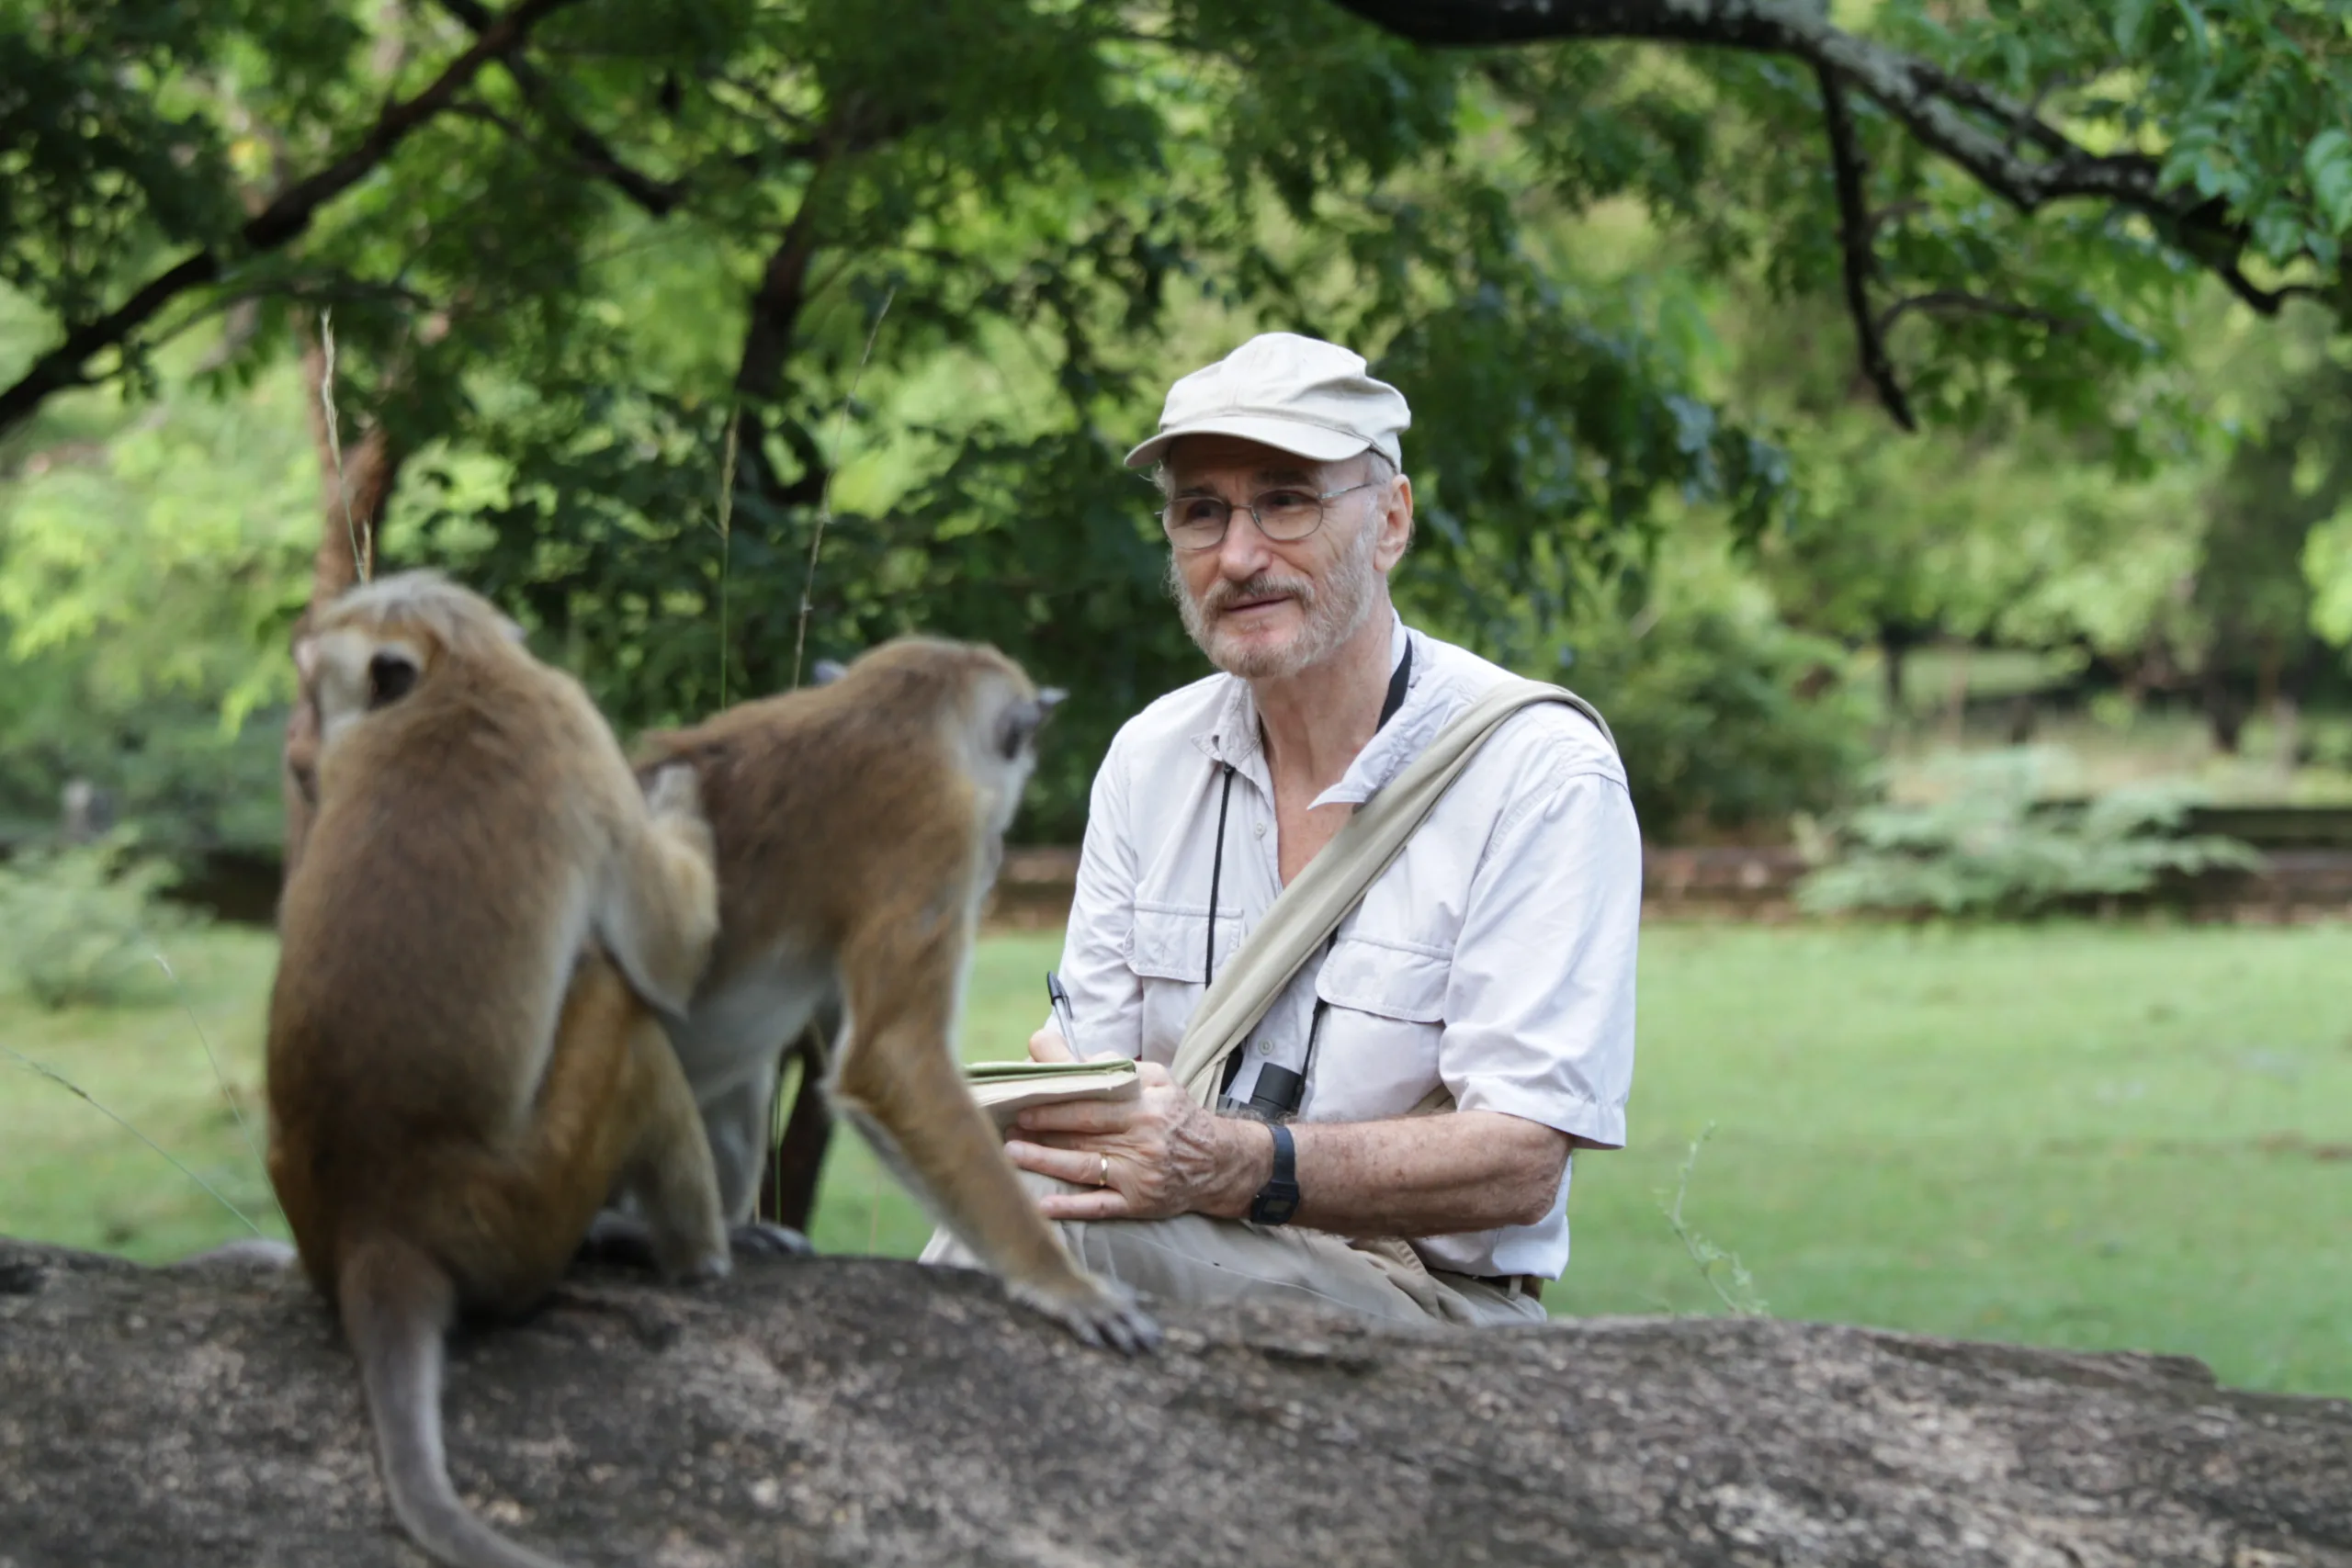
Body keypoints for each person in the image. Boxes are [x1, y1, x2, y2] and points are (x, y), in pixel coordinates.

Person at [920, 332, 1641, 1327]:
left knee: (1050, 1227)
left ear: (1390, 522)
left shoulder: (1536, 771)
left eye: (1286, 500)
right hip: (1183, 1254)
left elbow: (1519, 1163)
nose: (1240, 554)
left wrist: (1233, 1165)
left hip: (1425, 1305)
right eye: (1200, 511)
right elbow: (1087, 1076)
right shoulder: (1150, 756)